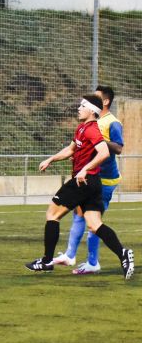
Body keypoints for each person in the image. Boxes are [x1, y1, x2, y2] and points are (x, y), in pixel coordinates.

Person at [25, 95, 134, 280]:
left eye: (83, 105)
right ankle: (123, 253)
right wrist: (51, 159)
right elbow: (70, 150)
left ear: (92, 111)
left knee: (52, 215)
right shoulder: (81, 128)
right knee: (94, 224)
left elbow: (104, 152)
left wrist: (84, 169)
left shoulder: (92, 129)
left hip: (82, 182)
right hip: (92, 184)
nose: (78, 108)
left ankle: (46, 261)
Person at [51, 86, 123, 275]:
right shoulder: (88, 124)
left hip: (105, 178)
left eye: (95, 99)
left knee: (93, 222)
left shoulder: (112, 123)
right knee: (79, 215)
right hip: (89, 176)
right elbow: (73, 148)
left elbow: (118, 148)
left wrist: (97, 140)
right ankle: (70, 255)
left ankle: (93, 262)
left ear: (104, 102)